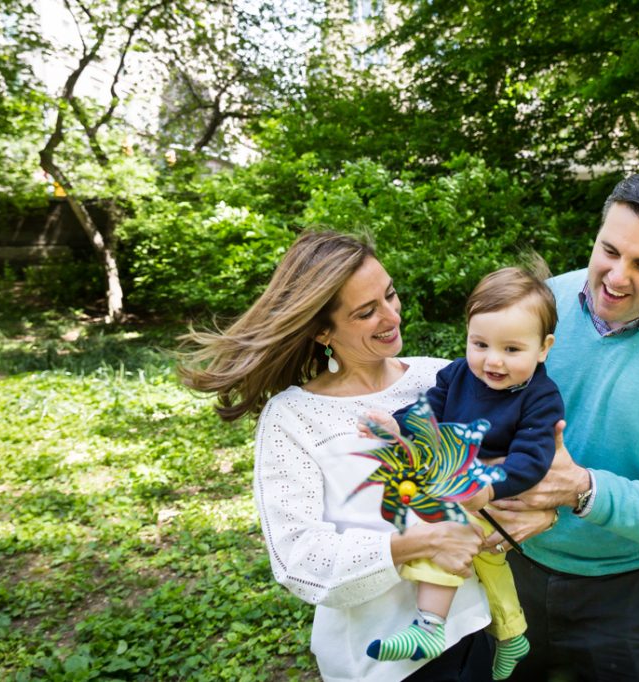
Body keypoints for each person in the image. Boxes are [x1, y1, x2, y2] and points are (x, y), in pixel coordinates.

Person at [179, 230, 494, 682]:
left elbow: (484, 473)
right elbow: (299, 559)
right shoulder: (294, 417)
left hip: (471, 629)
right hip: (379, 665)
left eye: (390, 295)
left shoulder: (439, 378)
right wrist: (422, 543)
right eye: (366, 312)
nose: (391, 317)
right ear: (322, 330)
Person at [484, 167, 639, 681]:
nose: (617, 276)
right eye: (609, 251)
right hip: (513, 570)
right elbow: (487, 416)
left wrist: (582, 490)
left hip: (627, 597)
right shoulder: (541, 305)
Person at [361, 266, 564, 680]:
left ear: (543, 348)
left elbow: (531, 459)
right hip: (465, 485)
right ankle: (512, 635)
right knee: (489, 566)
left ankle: (428, 627)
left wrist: (488, 488)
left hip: (502, 492)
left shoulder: (541, 398)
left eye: (512, 349)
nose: (492, 360)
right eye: (480, 343)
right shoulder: (455, 375)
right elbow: (428, 413)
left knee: (444, 530)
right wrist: (398, 426)